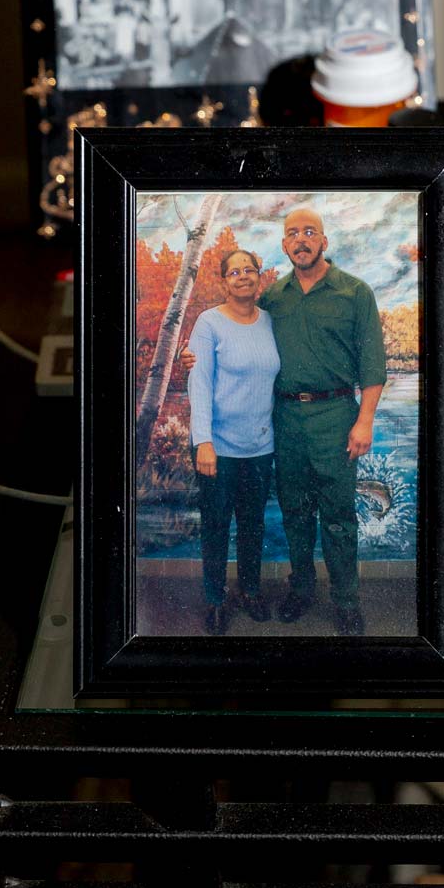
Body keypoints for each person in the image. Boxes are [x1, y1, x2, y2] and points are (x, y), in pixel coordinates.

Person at [259, 207, 387, 635]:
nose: (301, 240)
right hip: (286, 418)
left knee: (337, 515)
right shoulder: (273, 298)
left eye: (309, 232)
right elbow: (241, 340)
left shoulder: (355, 292)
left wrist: (364, 421)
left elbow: (372, 366)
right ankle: (301, 590)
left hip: (336, 416)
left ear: (324, 242)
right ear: (284, 245)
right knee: (294, 512)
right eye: (292, 233)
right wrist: (197, 354)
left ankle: (347, 601)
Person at [185, 249, 280, 634]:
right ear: (224, 282)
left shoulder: (271, 322)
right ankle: (215, 600)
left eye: (249, 270)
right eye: (234, 272)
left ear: (259, 278)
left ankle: (251, 591)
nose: (243, 276)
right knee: (216, 526)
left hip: (260, 447)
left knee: (253, 525)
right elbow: (200, 381)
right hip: (218, 448)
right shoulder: (208, 323)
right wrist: (203, 441)